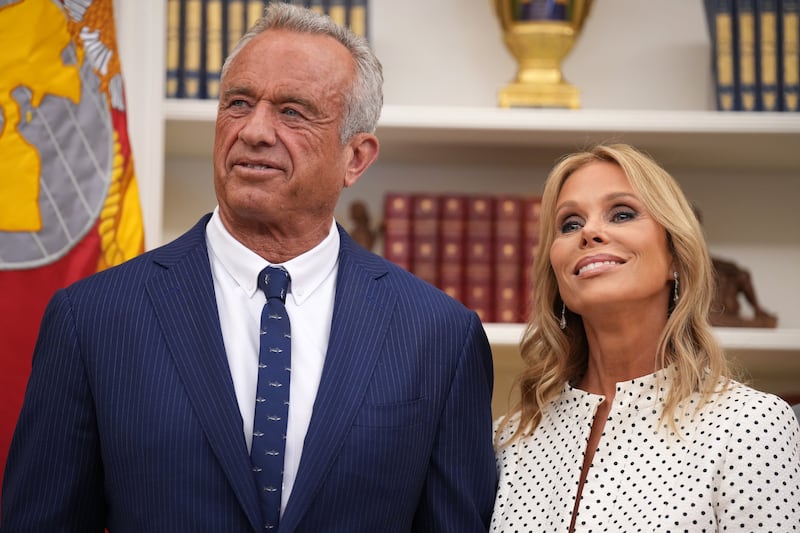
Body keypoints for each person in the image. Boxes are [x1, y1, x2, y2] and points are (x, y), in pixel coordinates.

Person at [1, 4, 497, 531]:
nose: (255, 130)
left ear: (356, 157)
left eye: (292, 111)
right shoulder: (93, 318)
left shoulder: (440, 337)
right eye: (238, 103)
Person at [490, 144, 800, 532]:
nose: (589, 232)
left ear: (674, 255)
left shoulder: (751, 424)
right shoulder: (509, 438)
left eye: (622, 214)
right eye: (569, 224)